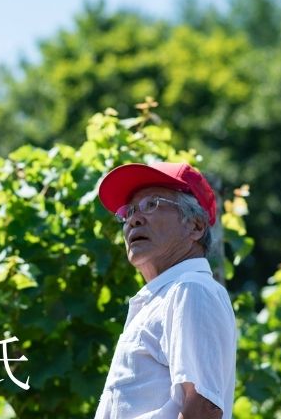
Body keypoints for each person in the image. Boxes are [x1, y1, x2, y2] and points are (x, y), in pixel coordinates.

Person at [94, 162, 237, 419]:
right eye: (129, 212)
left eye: (152, 204)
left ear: (195, 227)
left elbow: (203, 407)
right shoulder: (166, 297)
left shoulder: (190, 289)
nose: (134, 219)